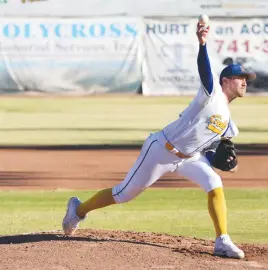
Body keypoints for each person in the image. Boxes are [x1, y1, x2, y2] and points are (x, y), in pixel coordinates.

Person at [62, 22, 256, 259]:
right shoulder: (211, 93)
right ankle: (78, 209)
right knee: (124, 193)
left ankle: (222, 240)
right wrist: (202, 44)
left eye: (246, 79)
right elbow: (204, 69)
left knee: (214, 182)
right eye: (239, 77)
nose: (244, 82)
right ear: (225, 81)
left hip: (189, 158)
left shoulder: (229, 125)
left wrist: (228, 164)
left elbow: (209, 153)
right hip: (161, 150)